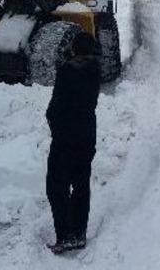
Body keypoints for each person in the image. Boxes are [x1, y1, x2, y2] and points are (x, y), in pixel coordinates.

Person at [45, 31, 100, 254]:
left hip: (65, 136)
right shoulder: (95, 69)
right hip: (87, 134)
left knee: (56, 187)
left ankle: (65, 236)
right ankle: (79, 233)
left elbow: (57, 104)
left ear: (74, 48)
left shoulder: (66, 71)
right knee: (81, 185)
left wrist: (52, 121)